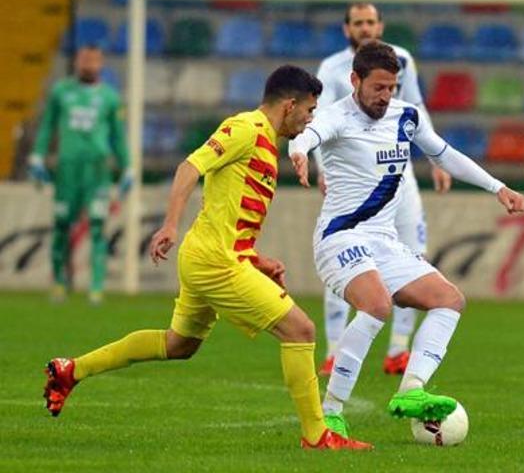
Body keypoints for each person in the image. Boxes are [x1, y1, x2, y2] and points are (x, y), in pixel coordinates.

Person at [41, 65, 371, 450]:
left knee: (179, 345)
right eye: (309, 110)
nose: (310, 118)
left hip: (213, 256)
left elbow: (229, 214)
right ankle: (316, 435)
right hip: (214, 262)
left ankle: (71, 370)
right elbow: (189, 167)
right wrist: (169, 224)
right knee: (301, 330)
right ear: (290, 105)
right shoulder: (245, 128)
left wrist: (256, 260)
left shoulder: (266, 142)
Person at [289, 41, 524, 438]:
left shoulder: (406, 117)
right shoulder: (337, 117)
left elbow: (445, 154)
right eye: (378, 87)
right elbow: (308, 134)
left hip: (383, 242)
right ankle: (330, 412)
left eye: (392, 87)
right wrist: (298, 152)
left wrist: (497, 186)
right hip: (340, 237)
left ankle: (411, 389)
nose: (386, 96)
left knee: (449, 300)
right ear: (355, 80)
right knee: (377, 305)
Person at [313, 2, 452, 376]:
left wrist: (437, 160)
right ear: (347, 29)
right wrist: (323, 169)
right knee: (345, 261)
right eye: (358, 23)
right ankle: (333, 351)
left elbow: (416, 108)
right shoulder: (332, 68)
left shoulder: (401, 60)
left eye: (371, 22)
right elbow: (320, 122)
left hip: (399, 176)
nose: (365, 28)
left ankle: (398, 350)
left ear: (380, 25)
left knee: (413, 256)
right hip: (355, 178)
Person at [29, 44, 132, 304]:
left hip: (98, 170)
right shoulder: (61, 92)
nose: (88, 64)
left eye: (93, 60)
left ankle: (96, 287)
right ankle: (59, 282)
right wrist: (37, 155)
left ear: (101, 63)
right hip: (67, 169)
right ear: (76, 61)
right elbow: (47, 126)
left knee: (97, 225)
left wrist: (127, 166)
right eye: (84, 59)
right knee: (61, 225)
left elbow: (118, 137)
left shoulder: (110, 98)